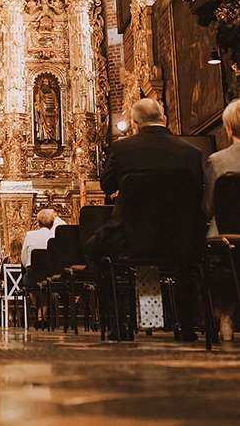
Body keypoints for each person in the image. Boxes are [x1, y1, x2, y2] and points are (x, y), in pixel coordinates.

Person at [84, 98, 203, 340]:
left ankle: (120, 322)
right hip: (181, 241)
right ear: (164, 118)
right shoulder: (192, 154)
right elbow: (198, 196)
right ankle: (187, 326)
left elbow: (106, 185)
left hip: (131, 241)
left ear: (135, 124)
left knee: (93, 248)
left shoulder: (123, 150)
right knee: (186, 264)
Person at [203, 99, 240, 341]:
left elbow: (207, 208)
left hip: (228, 236)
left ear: (228, 129)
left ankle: (225, 316)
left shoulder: (217, 161)